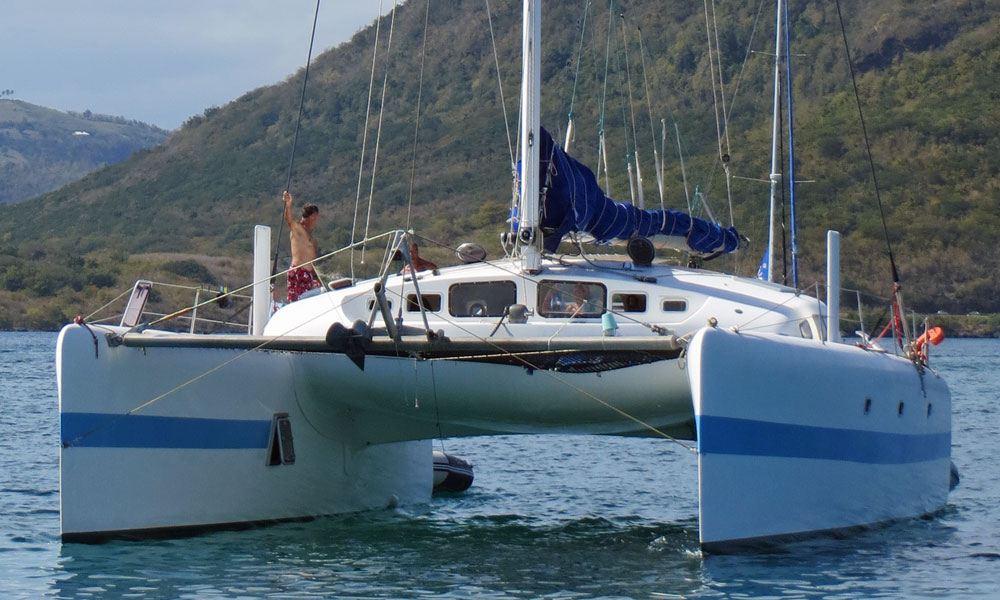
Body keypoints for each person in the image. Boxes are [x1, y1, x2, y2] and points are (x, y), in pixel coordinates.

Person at [283, 190, 322, 302]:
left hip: (309, 274)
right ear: (307, 217)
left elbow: (312, 261)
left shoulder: (312, 238)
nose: (316, 221)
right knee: (298, 302)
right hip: (298, 272)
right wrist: (288, 205)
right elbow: (289, 220)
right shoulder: (298, 229)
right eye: (314, 217)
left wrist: (315, 277)